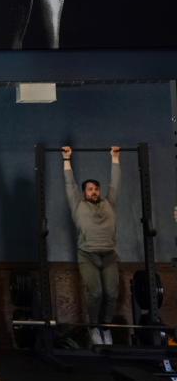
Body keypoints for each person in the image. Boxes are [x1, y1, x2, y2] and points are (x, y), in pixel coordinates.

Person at [62, 145, 120, 346]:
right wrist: (67, 160)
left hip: (109, 255)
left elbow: (115, 184)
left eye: (96, 189)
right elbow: (70, 186)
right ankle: (94, 327)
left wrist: (114, 159)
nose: (94, 191)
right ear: (84, 193)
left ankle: (106, 328)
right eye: (90, 189)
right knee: (96, 293)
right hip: (87, 255)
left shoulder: (108, 203)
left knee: (111, 293)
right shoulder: (78, 206)